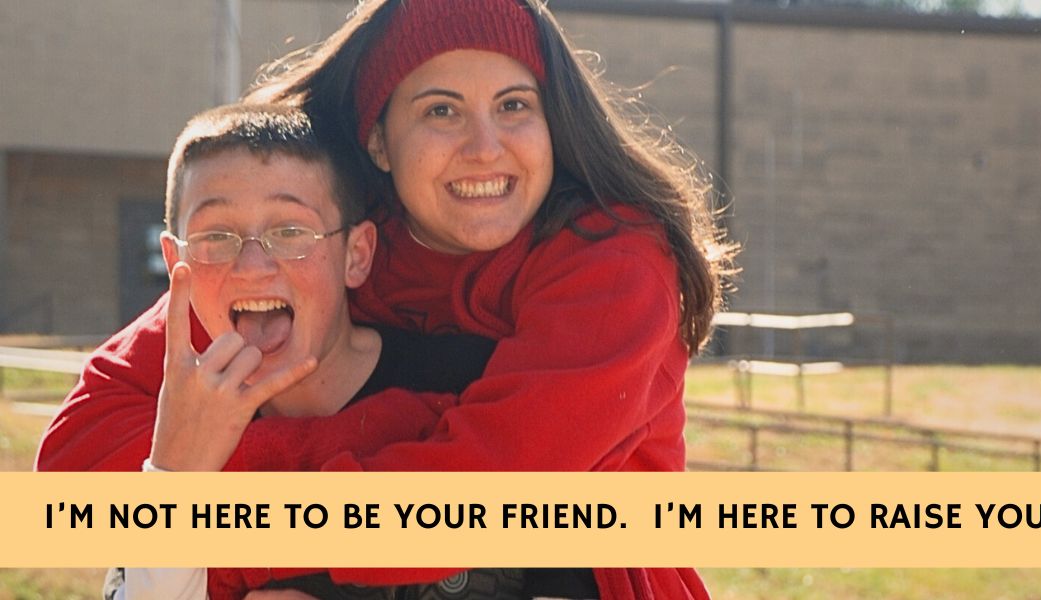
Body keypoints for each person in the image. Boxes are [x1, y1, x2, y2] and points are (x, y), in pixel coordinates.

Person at [38, 0, 736, 597]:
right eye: (441, 110)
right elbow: (78, 464)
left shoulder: (614, 265)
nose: (484, 147)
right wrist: (405, 430)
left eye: (514, 105)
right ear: (378, 141)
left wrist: (209, 505)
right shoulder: (333, 245)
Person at [103, 103, 497, 599]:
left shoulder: (471, 390)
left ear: (357, 256)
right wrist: (172, 478)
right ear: (174, 260)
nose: (252, 265)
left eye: (290, 232)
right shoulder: (171, 428)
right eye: (215, 236)